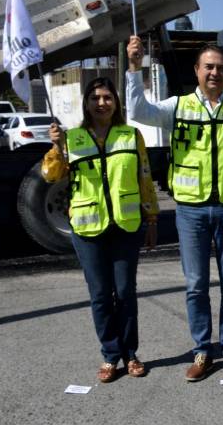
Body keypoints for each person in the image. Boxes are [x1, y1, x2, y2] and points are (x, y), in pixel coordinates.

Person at [127, 36, 223, 382]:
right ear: (197, 71)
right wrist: (133, 68)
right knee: (196, 285)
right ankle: (202, 351)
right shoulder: (179, 107)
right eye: (208, 67)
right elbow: (139, 112)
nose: (214, 73)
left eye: (220, 67)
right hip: (191, 212)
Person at [43, 77, 158, 382]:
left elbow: (144, 178)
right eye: (95, 98)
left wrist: (152, 218)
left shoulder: (131, 136)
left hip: (126, 225)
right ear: (86, 103)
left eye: (107, 97)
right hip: (87, 227)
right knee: (100, 295)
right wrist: (56, 147)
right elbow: (51, 175)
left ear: (116, 103)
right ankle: (110, 356)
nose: (101, 103)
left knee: (125, 292)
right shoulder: (73, 138)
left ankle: (130, 354)